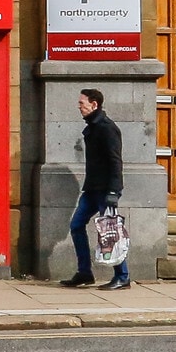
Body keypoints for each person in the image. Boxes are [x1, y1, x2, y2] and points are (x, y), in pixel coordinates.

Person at [61, 88, 129, 290]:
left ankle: (122, 276)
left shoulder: (107, 128)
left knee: (110, 232)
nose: (79, 106)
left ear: (94, 105)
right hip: (92, 188)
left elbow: (115, 161)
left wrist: (113, 192)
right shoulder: (93, 126)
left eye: (82, 103)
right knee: (76, 225)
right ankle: (84, 273)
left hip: (106, 190)